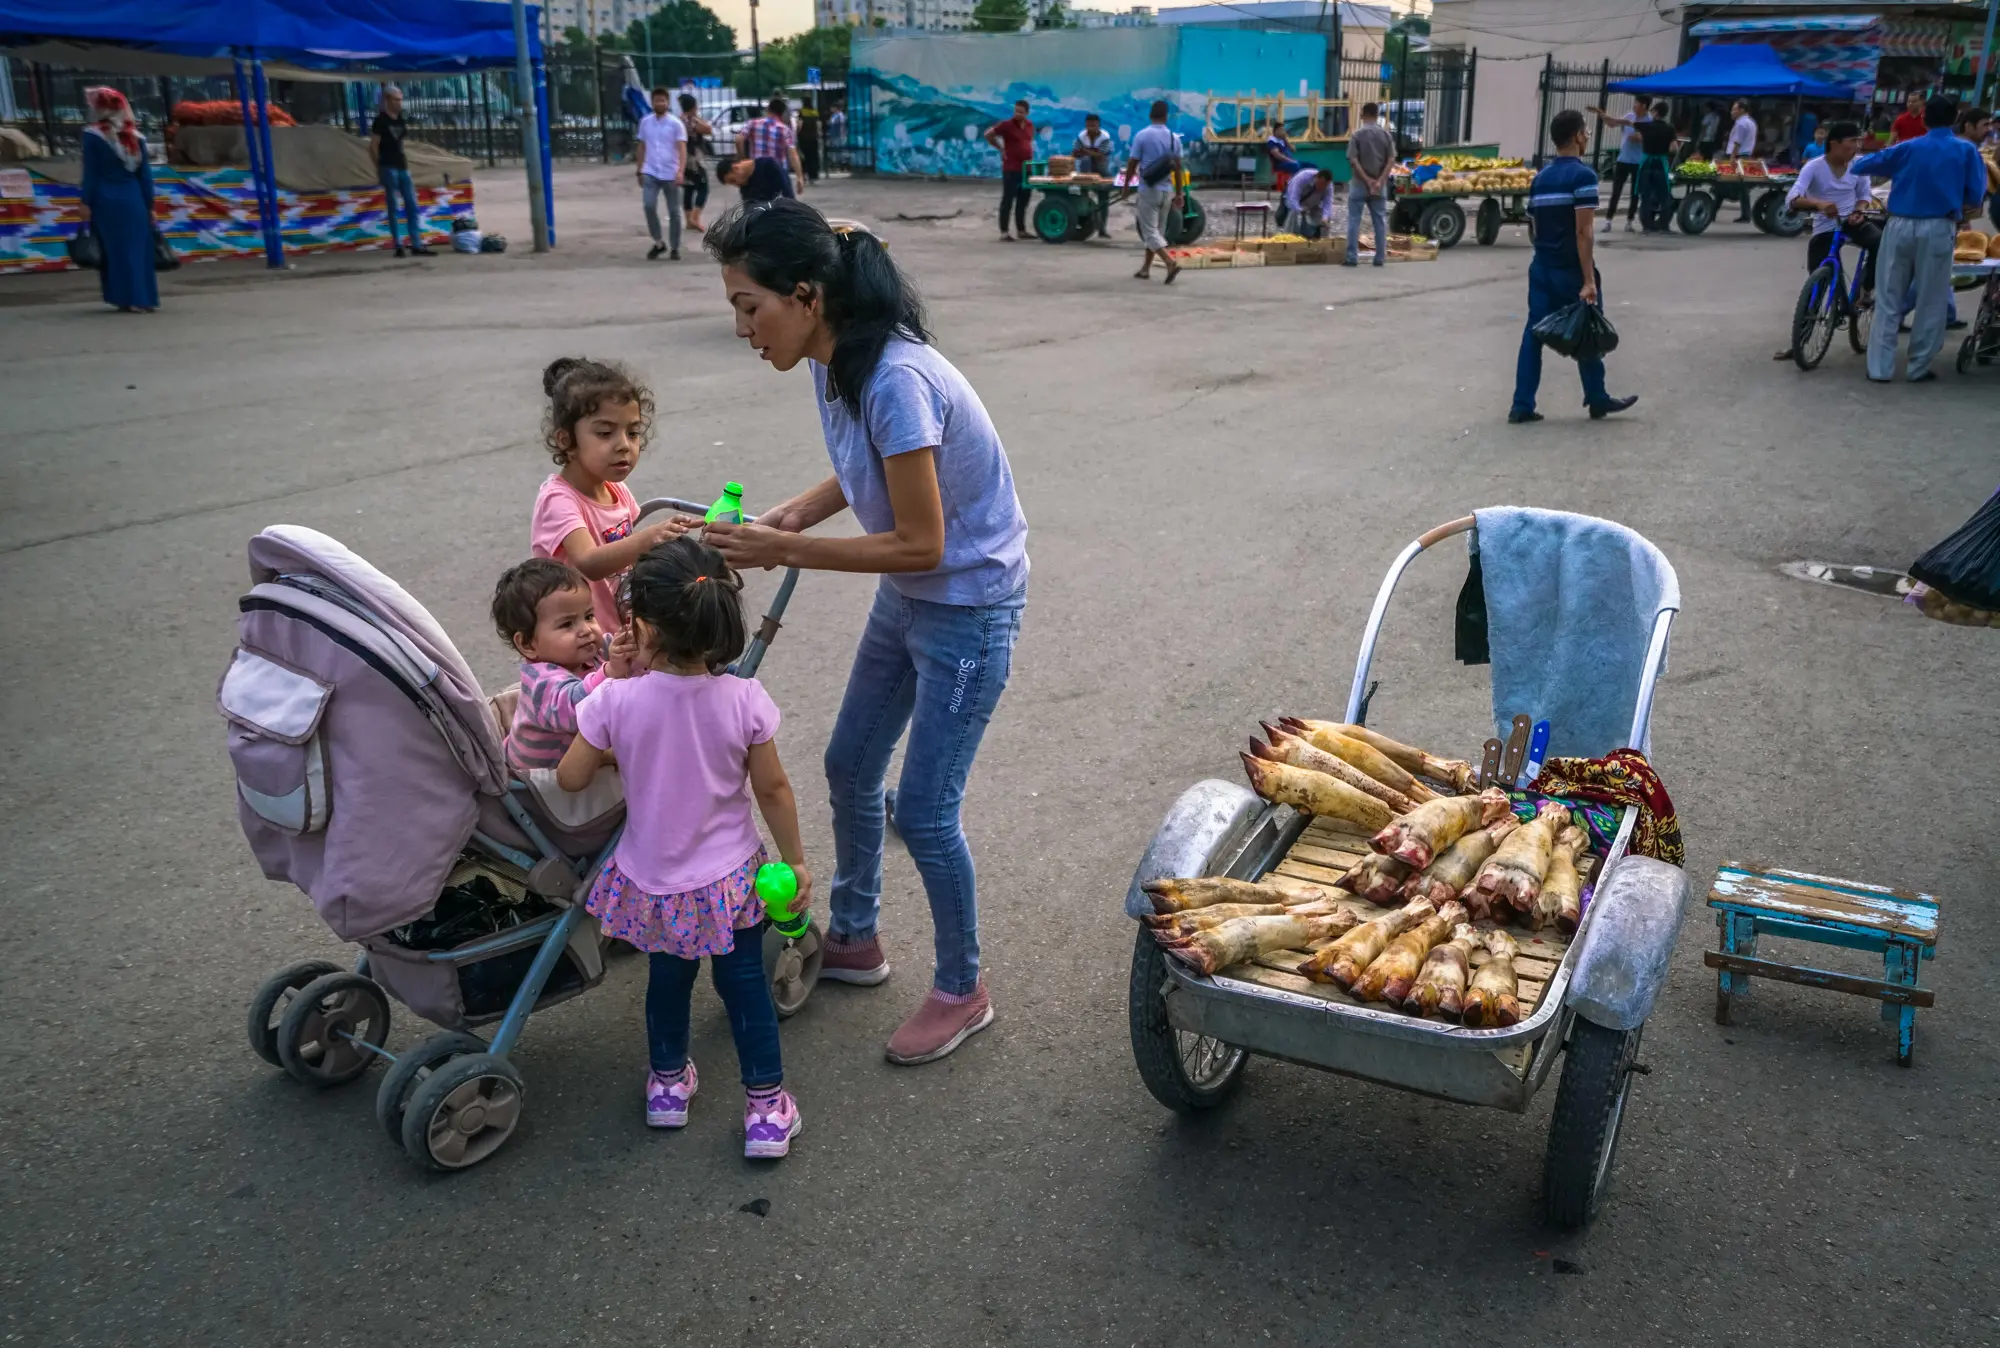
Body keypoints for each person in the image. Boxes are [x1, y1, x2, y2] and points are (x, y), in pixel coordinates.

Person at [702, 201, 1029, 1065]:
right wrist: (799, 510)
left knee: (923, 810)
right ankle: (855, 938)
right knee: (849, 764)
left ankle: (963, 988)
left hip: (968, 608)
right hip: (911, 594)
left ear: (806, 295)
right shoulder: (833, 358)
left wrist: (784, 545)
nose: (740, 328)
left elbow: (923, 540)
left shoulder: (895, 378)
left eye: (748, 305)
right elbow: (868, 469)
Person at [557, 536, 812, 1159]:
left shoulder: (615, 700)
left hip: (656, 882)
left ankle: (668, 1088)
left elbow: (570, 776)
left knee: (667, 983)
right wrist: (795, 860)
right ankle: (765, 1112)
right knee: (745, 986)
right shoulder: (743, 700)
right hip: (729, 882)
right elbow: (772, 787)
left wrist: (625, 740)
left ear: (640, 626)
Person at [530, 357, 690, 633]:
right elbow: (590, 563)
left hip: (618, 632)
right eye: (605, 433)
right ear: (566, 440)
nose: (624, 446)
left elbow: (631, 556)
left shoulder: (616, 490)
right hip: (577, 643)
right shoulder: (559, 500)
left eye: (633, 432)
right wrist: (650, 538)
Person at [1509, 109, 1636, 425]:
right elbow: (1584, 232)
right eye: (1587, 133)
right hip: (1570, 268)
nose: (1587, 138)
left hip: (1541, 267)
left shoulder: (1539, 179)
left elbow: (1535, 228)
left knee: (1533, 333)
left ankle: (1521, 404)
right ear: (1578, 136)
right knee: (1588, 328)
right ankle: (1597, 397)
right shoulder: (1584, 177)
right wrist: (1588, 278)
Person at [1853, 95, 1989, 382]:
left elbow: (1861, 166)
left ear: (1925, 119)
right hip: (1940, 226)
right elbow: (1975, 196)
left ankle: (1879, 368)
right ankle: (1918, 367)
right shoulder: (1966, 151)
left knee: (1889, 296)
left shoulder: (1908, 147)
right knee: (1931, 298)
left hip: (1899, 224)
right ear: (1955, 120)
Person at [491, 557, 635, 773]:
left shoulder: (592, 649)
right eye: (567, 624)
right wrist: (612, 670)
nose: (586, 629)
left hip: (574, 755)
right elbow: (576, 711)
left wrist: (633, 644)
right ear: (528, 644)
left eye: (588, 616)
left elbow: (624, 654)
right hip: (539, 781)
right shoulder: (541, 681)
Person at [1774, 121, 1879, 361]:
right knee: (1818, 285)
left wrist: (1859, 210)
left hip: (1852, 220)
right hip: (1825, 226)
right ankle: (1800, 342)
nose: (1856, 146)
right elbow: (1793, 197)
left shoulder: (1859, 165)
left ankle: (1866, 289)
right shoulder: (1814, 167)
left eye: (1858, 142)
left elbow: (1864, 196)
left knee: (1879, 241)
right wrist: (1818, 204)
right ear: (1834, 144)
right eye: (1852, 141)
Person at [78, 86, 157, 314]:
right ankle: (144, 297)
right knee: (138, 249)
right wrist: (149, 204)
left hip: (106, 199)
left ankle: (124, 297)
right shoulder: (135, 136)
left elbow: (91, 173)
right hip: (134, 199)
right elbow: (145, 175)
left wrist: (85, 202)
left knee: (115, 249)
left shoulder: (93, 136)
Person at [1122, 99, 1183, 283]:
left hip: (1148, 189)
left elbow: (1132, 162)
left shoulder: (1142, 135)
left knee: (1149, 232)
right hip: (1166, 190)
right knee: (1157, 232)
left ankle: (1170, 262)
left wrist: (1126, 186)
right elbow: (1178, 169)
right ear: (1166, 117)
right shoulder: (1175, 138)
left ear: (1150, 115)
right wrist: (1179, 194)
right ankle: (1145, 269)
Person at [370, 86, 432, 258]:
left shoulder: (400, 120)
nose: (399, 103)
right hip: (388, 166)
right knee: (394, 206)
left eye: (400, 99)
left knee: (412, 204)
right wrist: (379, 166)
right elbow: (374, 145)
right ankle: (398, 244)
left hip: (402, 165)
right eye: (396, 100)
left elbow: (400, 143)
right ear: (387, 101)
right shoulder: (380, 121)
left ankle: (416, 243)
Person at [635, 87, 687, 261]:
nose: (660, 103)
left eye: (663, 100)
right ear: (652, 102)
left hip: (670, 172)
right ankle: (658, 242)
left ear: (667, 102)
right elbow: (641, 146)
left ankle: (674, 246)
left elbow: (682, 149)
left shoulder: (675, 124)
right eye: (657, 100)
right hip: (650, 170)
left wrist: (680, 170)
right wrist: (639, 169)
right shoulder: (645, 122)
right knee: (648, 206)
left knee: (674, 211)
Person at [1586, 94, 1651, 232]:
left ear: (1644, 105)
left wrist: (1640, 137)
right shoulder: (1629, 116)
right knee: (1616, 191)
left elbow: (1646, 138)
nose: (1634, 106)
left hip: (1638, 162)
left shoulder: (1649, 121)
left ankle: (1629, 221)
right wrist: (1600, 113)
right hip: (1623, 159)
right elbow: (1612, 123)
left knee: (1635, 192)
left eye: (1637, 103)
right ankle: (1608, 221)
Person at [1345, 101, 1396, 267]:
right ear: (1377, 114)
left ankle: (1352, 257)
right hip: (1379, 186)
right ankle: (1380, 257)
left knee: (1354, 220)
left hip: (1359, 184)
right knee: (1380, 221)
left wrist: (1367, 180)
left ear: (1363, 114)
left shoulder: (1357, 135)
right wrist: (1380, 181)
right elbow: (1391, 159)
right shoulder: (1386, 135)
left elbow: (1353, 160)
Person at [986, 100, 1036, 241]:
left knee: (1023, 200)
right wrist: (1000, 148)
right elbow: (988, 134)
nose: (1018, 114)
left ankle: (1021, 230)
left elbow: (1028, 141)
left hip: (1026, 167)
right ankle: (1004, 232)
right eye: (1016, 111)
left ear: (1027, 113)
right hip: (1011, 168)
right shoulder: (1006, 125)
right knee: (1008, 199)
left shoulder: (1030, 125)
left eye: (1021, 112)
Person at [746, 96, 806, 198]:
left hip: (757, 169)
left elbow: (739, 139)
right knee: (788, 203)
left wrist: (742, 157)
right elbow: (793, 154)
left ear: (767, 109)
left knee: (756, 203)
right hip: (778, 170)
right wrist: (799, 176)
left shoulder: (753, 123)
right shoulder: (784, 129)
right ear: (782, 113)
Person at [1635, 101, 1679, 232]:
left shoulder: (1646, 126)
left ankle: (1647, 226)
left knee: (1646, 195)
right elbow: (1674, 148)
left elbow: (1623, 122)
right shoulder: (1670, 128)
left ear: (1656, 112)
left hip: (1646, 163)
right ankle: (1663, 225)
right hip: (1661, 163)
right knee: (1664, 194)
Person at [1072, 112, 1115, 239]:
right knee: (1085, 161)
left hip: (1101, 168)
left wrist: (1085, 151)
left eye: (1094, 126)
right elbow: (1075, 153)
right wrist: (1090, 154)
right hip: (1086, 170)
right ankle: (1083, 223)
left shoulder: (1105, 137)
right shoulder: (1081, 136)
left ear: (1098, 126)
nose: (1091, 128)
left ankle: (1102, 229)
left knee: (1104, 198)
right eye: (1089, 126)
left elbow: (1101, 156)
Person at [678, 93, 714, 233]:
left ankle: (688, 221)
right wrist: (697, 116)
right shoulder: (692, 121)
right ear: (693, 106)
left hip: (682, 157)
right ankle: (695, 217)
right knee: (703, 188)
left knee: (688, 188)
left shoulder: (679, 120)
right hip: (694, 158)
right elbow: (708, 130)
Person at [1724, 100, 1759, 220]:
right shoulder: (1751, 122)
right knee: (1743, 187)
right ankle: (1745, 214)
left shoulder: (1741, 124)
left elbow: (1737, 142)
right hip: (1745, 156)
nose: (1732, 112)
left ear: (1742, 110)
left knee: (1726, 183)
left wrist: (1732, 158)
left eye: (1734, 109)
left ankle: (1713, 210)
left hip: (1739, 156)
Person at [1281, 163, 1336, 239]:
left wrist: (1325, 218)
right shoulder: (1303, 177)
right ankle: (1289, 237)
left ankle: (1322, 240)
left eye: (1325, 185)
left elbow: (1328, 203)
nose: (1323, 187)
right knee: (1294, 213)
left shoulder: (1329, 186)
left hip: (1313, 203)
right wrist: (1299, 209)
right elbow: (1293, 198)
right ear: (1316, 178)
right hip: (1294, 201)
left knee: (1325, 218)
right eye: (1321, 183)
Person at [717, 154, 792, 205]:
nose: (737, 185)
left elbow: (788, 194)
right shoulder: (745, 189)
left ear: (735, 168)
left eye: (733, 180)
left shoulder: (769, 166)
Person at [827, 102, 847, 172]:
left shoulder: (840, 115)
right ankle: (836, 164)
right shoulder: (833, 116)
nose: (831, 109)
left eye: (832, 107)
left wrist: (842, 135)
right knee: (835, 150)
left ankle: (842, 164)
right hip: (834, 135)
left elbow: (842, 125)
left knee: (840, 150)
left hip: (839, 135)